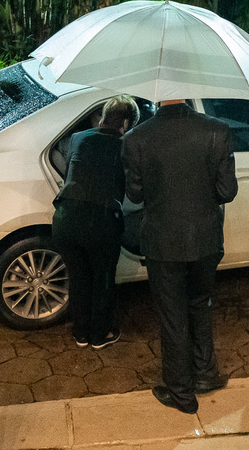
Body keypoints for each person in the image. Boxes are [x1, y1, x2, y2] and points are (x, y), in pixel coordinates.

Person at [122, 99, 237, 414]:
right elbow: (227, 192)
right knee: (200, 304)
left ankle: (182, 395)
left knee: (173, 316)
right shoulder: (217, 130)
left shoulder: (137, 137)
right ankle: (206, 373)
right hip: (206, 239)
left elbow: (135, 194)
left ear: (157, 96)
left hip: (163, 243)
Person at [52, 95, 140, 350]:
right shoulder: (126, 148)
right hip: (100, 222)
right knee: (102, 279)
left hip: (66, 218)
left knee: (78, 278)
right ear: (125, 123)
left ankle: (80, 334)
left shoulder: (79, 138)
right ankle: (100, 335)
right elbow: (132, 190)